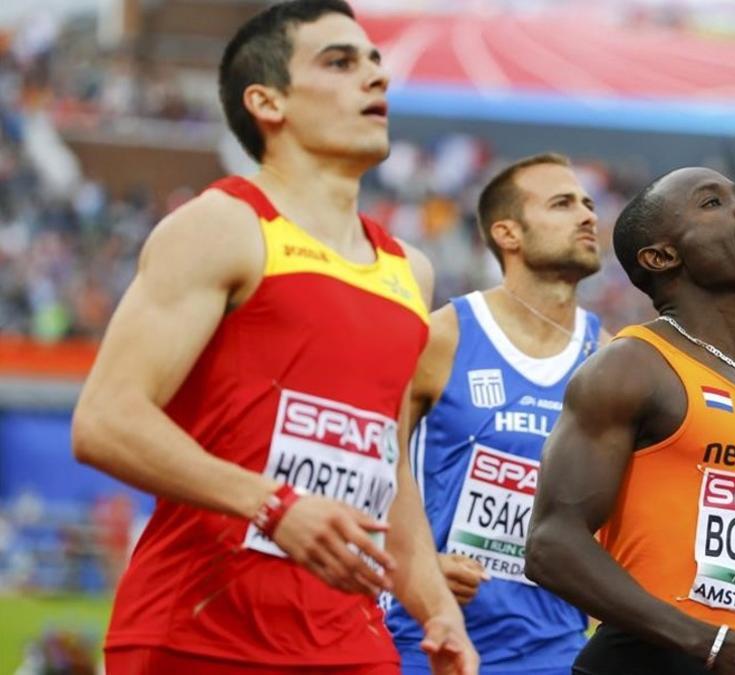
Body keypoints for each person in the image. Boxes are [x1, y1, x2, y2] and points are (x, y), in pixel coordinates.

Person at [70, 2, 476, 673]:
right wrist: (275, 504)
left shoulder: (412, 271)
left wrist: (437, 609)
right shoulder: (223, 226)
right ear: (268, 102)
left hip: (349, 640)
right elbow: (105, 419)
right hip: (198, 633)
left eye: (374, 62)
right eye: (340, 62)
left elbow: (387, 464)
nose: (375, 77)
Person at [525, 167, 735, 674]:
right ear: (661, 256)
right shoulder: (631, 366)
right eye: (712, 204)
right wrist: (712, 643)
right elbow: (550, 545)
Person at [385, 153, 606, 674]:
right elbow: (367, 466)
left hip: (553, 651)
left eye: (589, 204)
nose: (587, 215)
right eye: (563, 203)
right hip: (424, 642)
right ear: (508, 233)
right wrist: (417, 563)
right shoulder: (441, 337)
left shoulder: (610, 360)